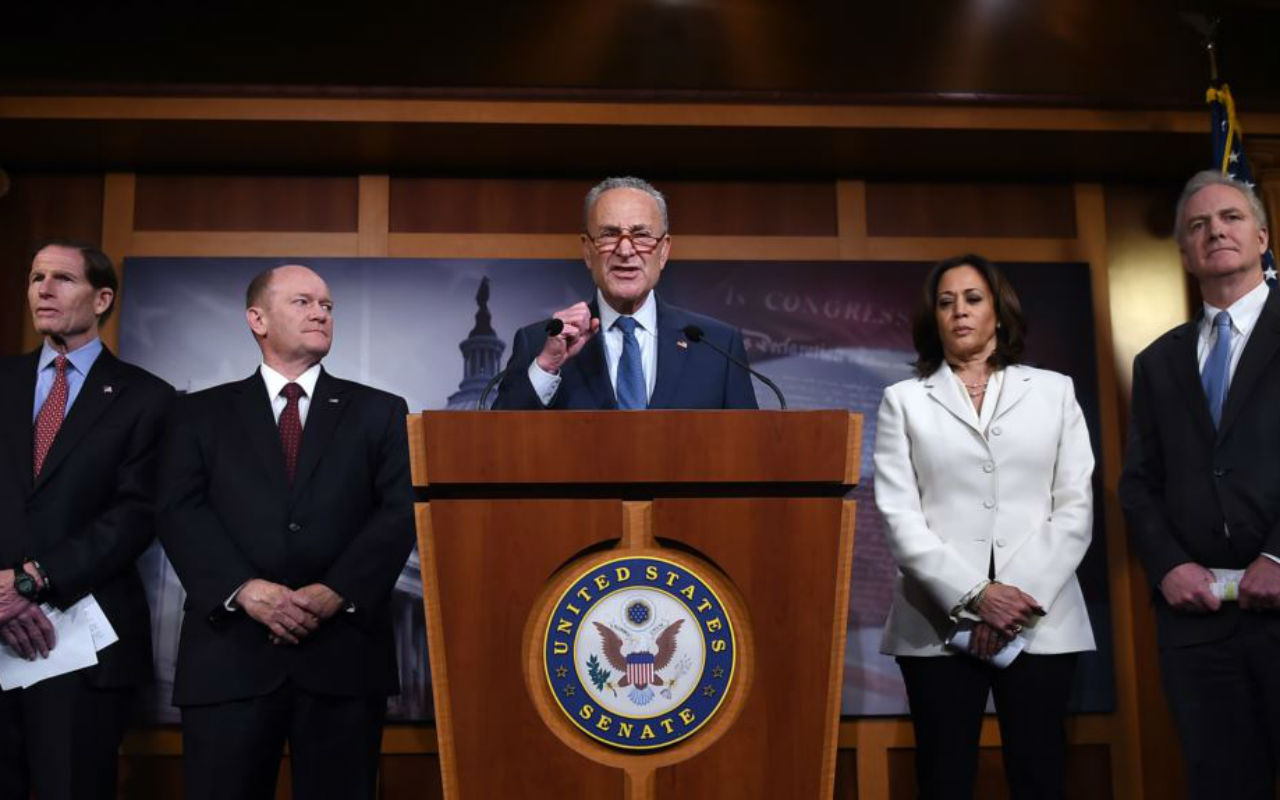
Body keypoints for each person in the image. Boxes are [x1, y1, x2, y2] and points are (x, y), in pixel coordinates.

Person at [158, 264, 415, 800]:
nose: (321, 312)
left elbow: (398, 514)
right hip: (228, 660)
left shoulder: (381, 412)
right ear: (257, 318)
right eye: (303, 302)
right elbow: (179, 511)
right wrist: (248, 591)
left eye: (327, 305)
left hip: (342, 661)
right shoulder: (198, 414)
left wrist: (332, 593)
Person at [874, 254, 1096, 799]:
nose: (959, 312)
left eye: (972, 299)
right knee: (944, 777)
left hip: (1042, 621)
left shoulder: (1054, 391)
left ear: (999, 311)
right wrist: (977, 595)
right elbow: (900, 515)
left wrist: (1015, 599)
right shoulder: (903, 401)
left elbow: (1074, 505)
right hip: (936, 623)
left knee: (1040, 773)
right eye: (946, 302)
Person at [1119, 170, 1280, 799]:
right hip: (1196, 619)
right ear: (1186, 254)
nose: (1216, 230)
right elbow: (1139, 483)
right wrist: (1168, 567)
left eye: (1232, 218)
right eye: (1198, 225)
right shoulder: (1157, 361)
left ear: (1263, 237)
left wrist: (1275, 554)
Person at [0, 240, 173, 800]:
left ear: (101, 298)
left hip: (79, 646)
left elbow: (137, 513)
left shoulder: (148, 398)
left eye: (62, 279)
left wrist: (31, 580)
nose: (43, 289)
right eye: (35, 276)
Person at [492, 176, 759, 409]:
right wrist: (547, 367)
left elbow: (748, 451)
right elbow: (499, 443)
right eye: (609, 234)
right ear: (587, 250)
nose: (625, 250)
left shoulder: (718, 346)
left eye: (641, 235)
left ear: (664, 250)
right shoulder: (540, 343)